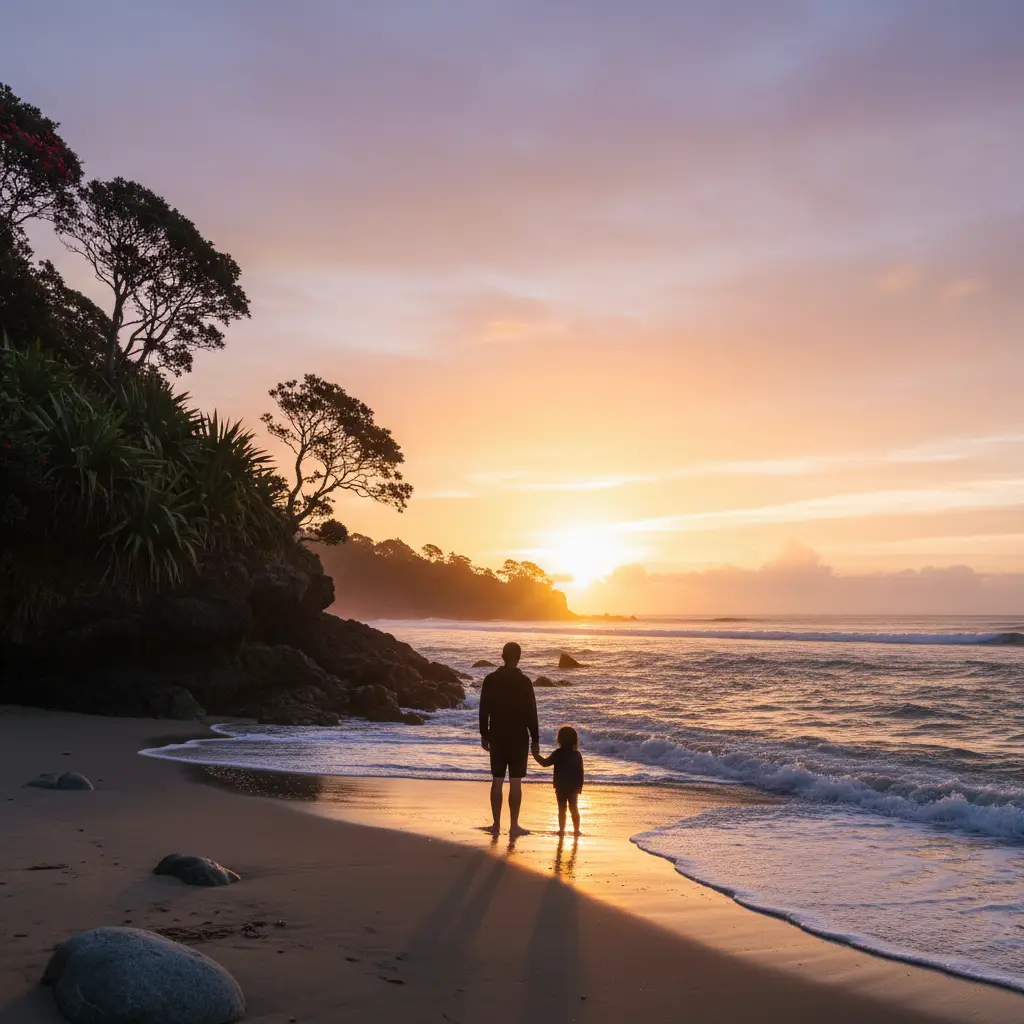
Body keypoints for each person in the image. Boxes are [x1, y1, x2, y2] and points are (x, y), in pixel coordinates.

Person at [479, 641, 539, 837]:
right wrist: (536, 739)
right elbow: (532, 712)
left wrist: (484, 734)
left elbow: (483, 710)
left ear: (502, 656)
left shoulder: (490, 679)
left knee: (497, 780)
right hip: (519, 738)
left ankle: (496, 824)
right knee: (515, 782)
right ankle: (514, 826)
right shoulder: (524, 682)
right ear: (519, 657)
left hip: (497, 734)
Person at [533, 725, 584, 836]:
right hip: (573, 787)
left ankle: (561, 830)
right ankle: (576, 830)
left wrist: (535, 755)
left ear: (559, 739)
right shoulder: (577, 755)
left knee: (562, 809)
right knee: (574, 808)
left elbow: (545, 763)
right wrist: (580, 787)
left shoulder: (558, 753)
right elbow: (581, 772)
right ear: (575, 739)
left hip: (560, 786)